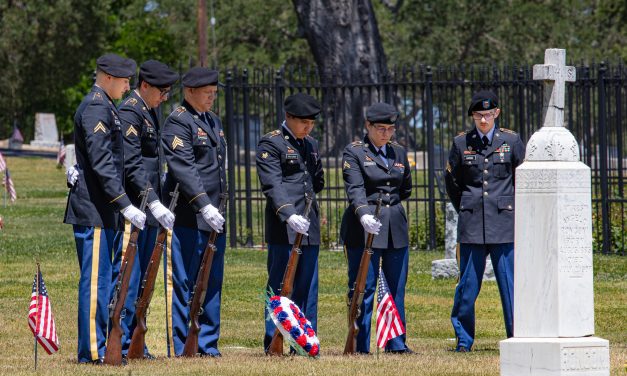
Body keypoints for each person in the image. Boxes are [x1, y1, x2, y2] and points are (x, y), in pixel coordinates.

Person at [63, 53, 146, 364]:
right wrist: (125, 203)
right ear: (108, 77)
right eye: (125, 81)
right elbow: (101, 164)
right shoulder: (98, 105)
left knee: (105, 281)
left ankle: (99, 345)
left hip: (103, 208)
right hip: (95, 208)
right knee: (96, 284)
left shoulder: (105, 105)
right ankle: (93, 351)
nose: (127, 87)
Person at [445, 90, 525, 352]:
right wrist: (467, 207)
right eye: (478, 115)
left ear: (496, 114)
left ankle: (516, 336)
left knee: (509, 285)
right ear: (472, 116)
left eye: (488, 115)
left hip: (503, 224)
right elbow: (453, 183)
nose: (483, 120)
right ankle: (464, 340)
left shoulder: (511, 141)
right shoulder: (461, 144)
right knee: (467, 287)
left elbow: (521, 179)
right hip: (472, 224)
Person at [160, 67, 226, 357]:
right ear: (189, 92)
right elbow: (183, 168)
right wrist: (204, 203)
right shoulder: (178, 122)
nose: (212, 97)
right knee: (185, 281)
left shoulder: (212, 120)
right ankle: (182, 341)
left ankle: (207, 343)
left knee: (211, 281)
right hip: (190, 214)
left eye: (214, 92)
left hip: (214, 216)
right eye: (207, 93)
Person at [116, 59, 178, 359]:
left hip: (150, 204)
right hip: (137, 204)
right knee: (131, 277)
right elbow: (132, 164)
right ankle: (124, 341)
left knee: (145, 277)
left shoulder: (150, 110)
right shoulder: (130, 111)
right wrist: (152, 199)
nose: (165, 97)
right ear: (145, 86)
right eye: (162, 91)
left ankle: (137, 341)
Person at [339, 102, 413, 354]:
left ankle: (397, 342)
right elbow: (355, 188)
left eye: (390, 129)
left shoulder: (399, 152)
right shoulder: (355, 152)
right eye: (380, 128)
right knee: (364, 288)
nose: (385, 134)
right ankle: (360, 344)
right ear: (368, 126)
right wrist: (363, 213)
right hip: (364, 227)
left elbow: (405, 189)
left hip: (394, 227)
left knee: (395, 287)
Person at [256, 93, 324, 353]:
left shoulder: (311, 144)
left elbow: (316, 180)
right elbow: (272, 183)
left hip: (308, 223)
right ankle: (273, 340)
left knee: (307, 286)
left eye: (312, 123)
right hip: (285, 224)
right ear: (288, 118)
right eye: (303, 122)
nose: (308, 127)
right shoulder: (271, 143)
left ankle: (305, 341)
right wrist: (288, 212)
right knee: (280, 284)